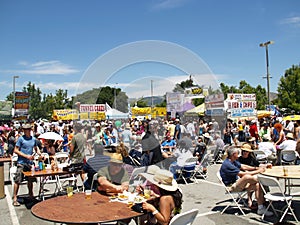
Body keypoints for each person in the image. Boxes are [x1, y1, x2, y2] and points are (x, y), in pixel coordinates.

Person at [219, 146, 273, 216]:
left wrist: (257, 168)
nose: (239, 154)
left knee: (257, 184)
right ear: (233, 154)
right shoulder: (227, 164)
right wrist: (258, 171)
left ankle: (260, 208)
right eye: (237, 153)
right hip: (231, 186)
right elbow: (243, 174)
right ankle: (265, 181)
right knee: (247, 177)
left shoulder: (233, 161)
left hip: (238, 183)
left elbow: (243, 166)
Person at [12, 124, 41, 206]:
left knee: (30, 180)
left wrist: (40, 154)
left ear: (30, 130)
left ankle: (31, 195)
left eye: (27, 129)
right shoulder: (21, 139)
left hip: (29, 163)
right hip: (21, 162)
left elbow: (36, 148)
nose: (26, 131)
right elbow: (16, 150)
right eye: (24, 129)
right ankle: (15, 198)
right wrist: (26, 156)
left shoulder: (33, 139)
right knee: (18, 180)